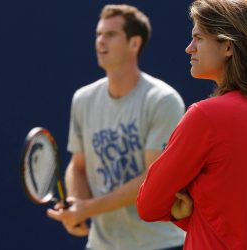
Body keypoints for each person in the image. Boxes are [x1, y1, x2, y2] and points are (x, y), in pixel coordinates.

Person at [137, 0, 247, 249]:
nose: (189, 48)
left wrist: (186, 210)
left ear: (227, 46)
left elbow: (148, 205)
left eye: (199, 38)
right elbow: (240, 216)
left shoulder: (205, 116)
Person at [47, 4, 186, 250]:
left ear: (134, 43)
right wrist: (76, 206)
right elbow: (78, 165)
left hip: (161, 244)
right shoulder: (83, 99)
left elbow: (154, 179)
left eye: (111, 35)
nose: (101, 41)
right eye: (98, 34)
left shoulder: (163, 100)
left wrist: (89, 208)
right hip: (102, 244)